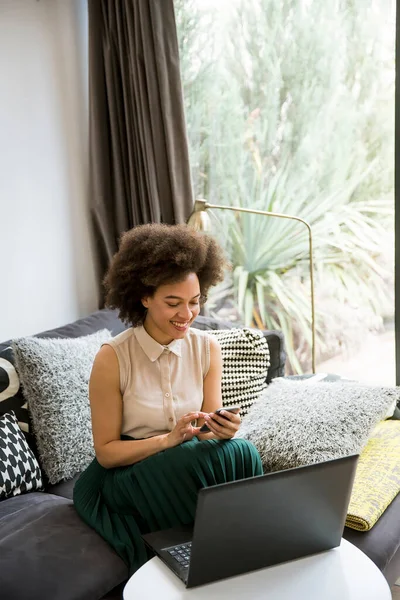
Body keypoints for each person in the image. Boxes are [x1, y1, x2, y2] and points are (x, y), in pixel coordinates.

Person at [73, 223, 262, 574]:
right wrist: (168, 440)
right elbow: (107, 452)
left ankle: (243, 553)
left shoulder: (207, 347)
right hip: (126, 473)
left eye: (194, 302)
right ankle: (212, 560)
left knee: (241, 450)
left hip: (184, 455)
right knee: (187, 462)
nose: (186, 314)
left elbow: (205, 427)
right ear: (144, 297)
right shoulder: (112, 357)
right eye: (173, 303)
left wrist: (221, 429)